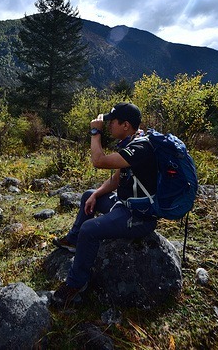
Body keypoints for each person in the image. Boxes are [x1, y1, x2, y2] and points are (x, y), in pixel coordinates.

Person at [52, 102, 158, 308]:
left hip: (139, 216)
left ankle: (76, 283)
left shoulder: (140, 147)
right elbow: (117, 179)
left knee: (90, 229)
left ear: (125, 125)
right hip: (125, 205)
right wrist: (96, 195)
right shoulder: (132, 142)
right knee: (88, 195)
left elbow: (98, 161)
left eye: (112, 122)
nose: (109, 127)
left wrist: (95, 132)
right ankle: (74, 242)